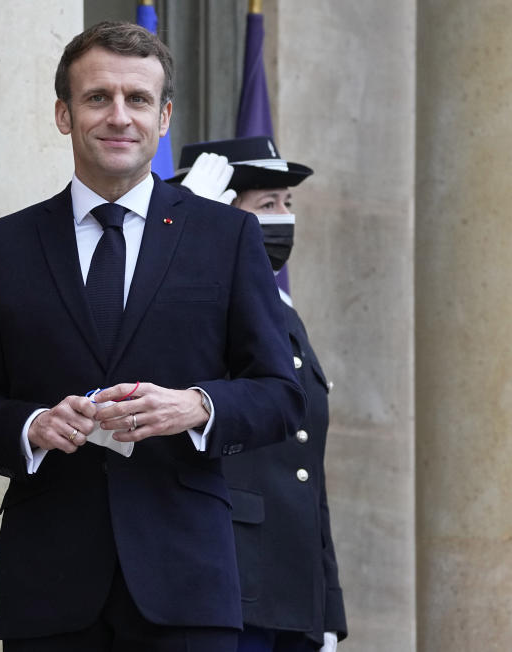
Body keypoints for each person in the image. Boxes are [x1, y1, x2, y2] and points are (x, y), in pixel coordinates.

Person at [0, 22, 304, 652]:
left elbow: (280, 392)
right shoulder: (1, 248)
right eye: (97, 97)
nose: (118, 116)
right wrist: (31, 427)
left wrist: (197, 405)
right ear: (63, 113)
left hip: (187, 581)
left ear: (163, 118)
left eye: (137, 100)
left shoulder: (226, 238)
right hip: (49, 586)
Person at [175, 136, 348, 652]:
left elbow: (306, 473)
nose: (283, 219)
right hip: (222, 581)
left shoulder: (283, 310)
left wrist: (328, 610)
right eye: (266, 205)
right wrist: (188, 237)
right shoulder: (187, 295)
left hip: (291, 595)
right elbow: (162, 359)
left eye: (287, 205)